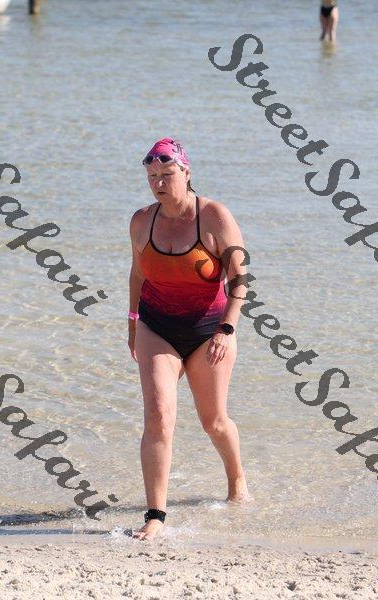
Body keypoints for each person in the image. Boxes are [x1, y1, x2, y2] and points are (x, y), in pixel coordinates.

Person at [128, 137, 252, 541]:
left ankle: (237, 481)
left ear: (186, 172)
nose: (159, 183)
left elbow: (240, 277)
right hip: (156, 327)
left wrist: (227, 329)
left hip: (209, 331)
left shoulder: (214, 217)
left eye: (167, 174)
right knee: (158, 415)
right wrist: (132, 323)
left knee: (213, 422)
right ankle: (155, 515)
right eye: (152, 176)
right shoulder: (141, 220)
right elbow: (137, 274)